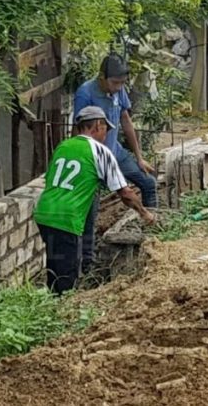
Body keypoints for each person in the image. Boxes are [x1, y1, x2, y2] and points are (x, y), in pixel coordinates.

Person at [34, 106, 156, 294]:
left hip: (44, 213)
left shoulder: (63, 146)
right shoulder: (100, 151)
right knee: (67, 276)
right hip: (67, 218)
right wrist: (145, 213)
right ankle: (63, 311)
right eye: (105, 129)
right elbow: (125, 193)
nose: (106, 134)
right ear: (97, 125)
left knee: (54, 265)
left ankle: (51, 304)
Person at [73, 54, 157, 273]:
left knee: (148, 183)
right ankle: (88, 264)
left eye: (122, 83)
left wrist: (139, 157)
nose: (119, 87)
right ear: (102, 78)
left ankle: (152, 236)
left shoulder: (119, 91)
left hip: (116, 153)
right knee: (91, 213)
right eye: (115, 83)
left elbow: (126, 121)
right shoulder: (85, 93)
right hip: (96, 158)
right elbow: (78, 129)